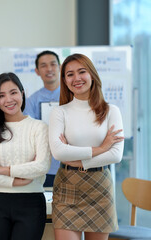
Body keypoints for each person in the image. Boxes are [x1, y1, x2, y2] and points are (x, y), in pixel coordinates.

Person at [49, 53, 124, 240]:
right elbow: (58, 152)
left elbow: (115, 155)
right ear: (65, 81)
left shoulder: (111, 111)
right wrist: (100, 148)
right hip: (67, 187)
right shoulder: (59, 112)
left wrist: (75, 159)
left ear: (92, 75)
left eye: (81, 72)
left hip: (100, 187)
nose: (76, 78)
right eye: (70, 74)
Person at [0, 72, 51, 240]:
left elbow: (41, 166)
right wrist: (17, 180)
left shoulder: (39, 128)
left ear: (22, 94)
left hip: (31, 203)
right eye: (1, 95)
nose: (9, 100)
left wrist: (3, 170)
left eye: (13, 92)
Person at [24, 50, 61, 187]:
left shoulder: (72, 96)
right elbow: (31, 133)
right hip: (46, 167)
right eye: (44, 65)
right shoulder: (31, 101)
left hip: (72, 165)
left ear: (60, 67)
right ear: (37, 71)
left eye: (53, 64)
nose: (49, 69)